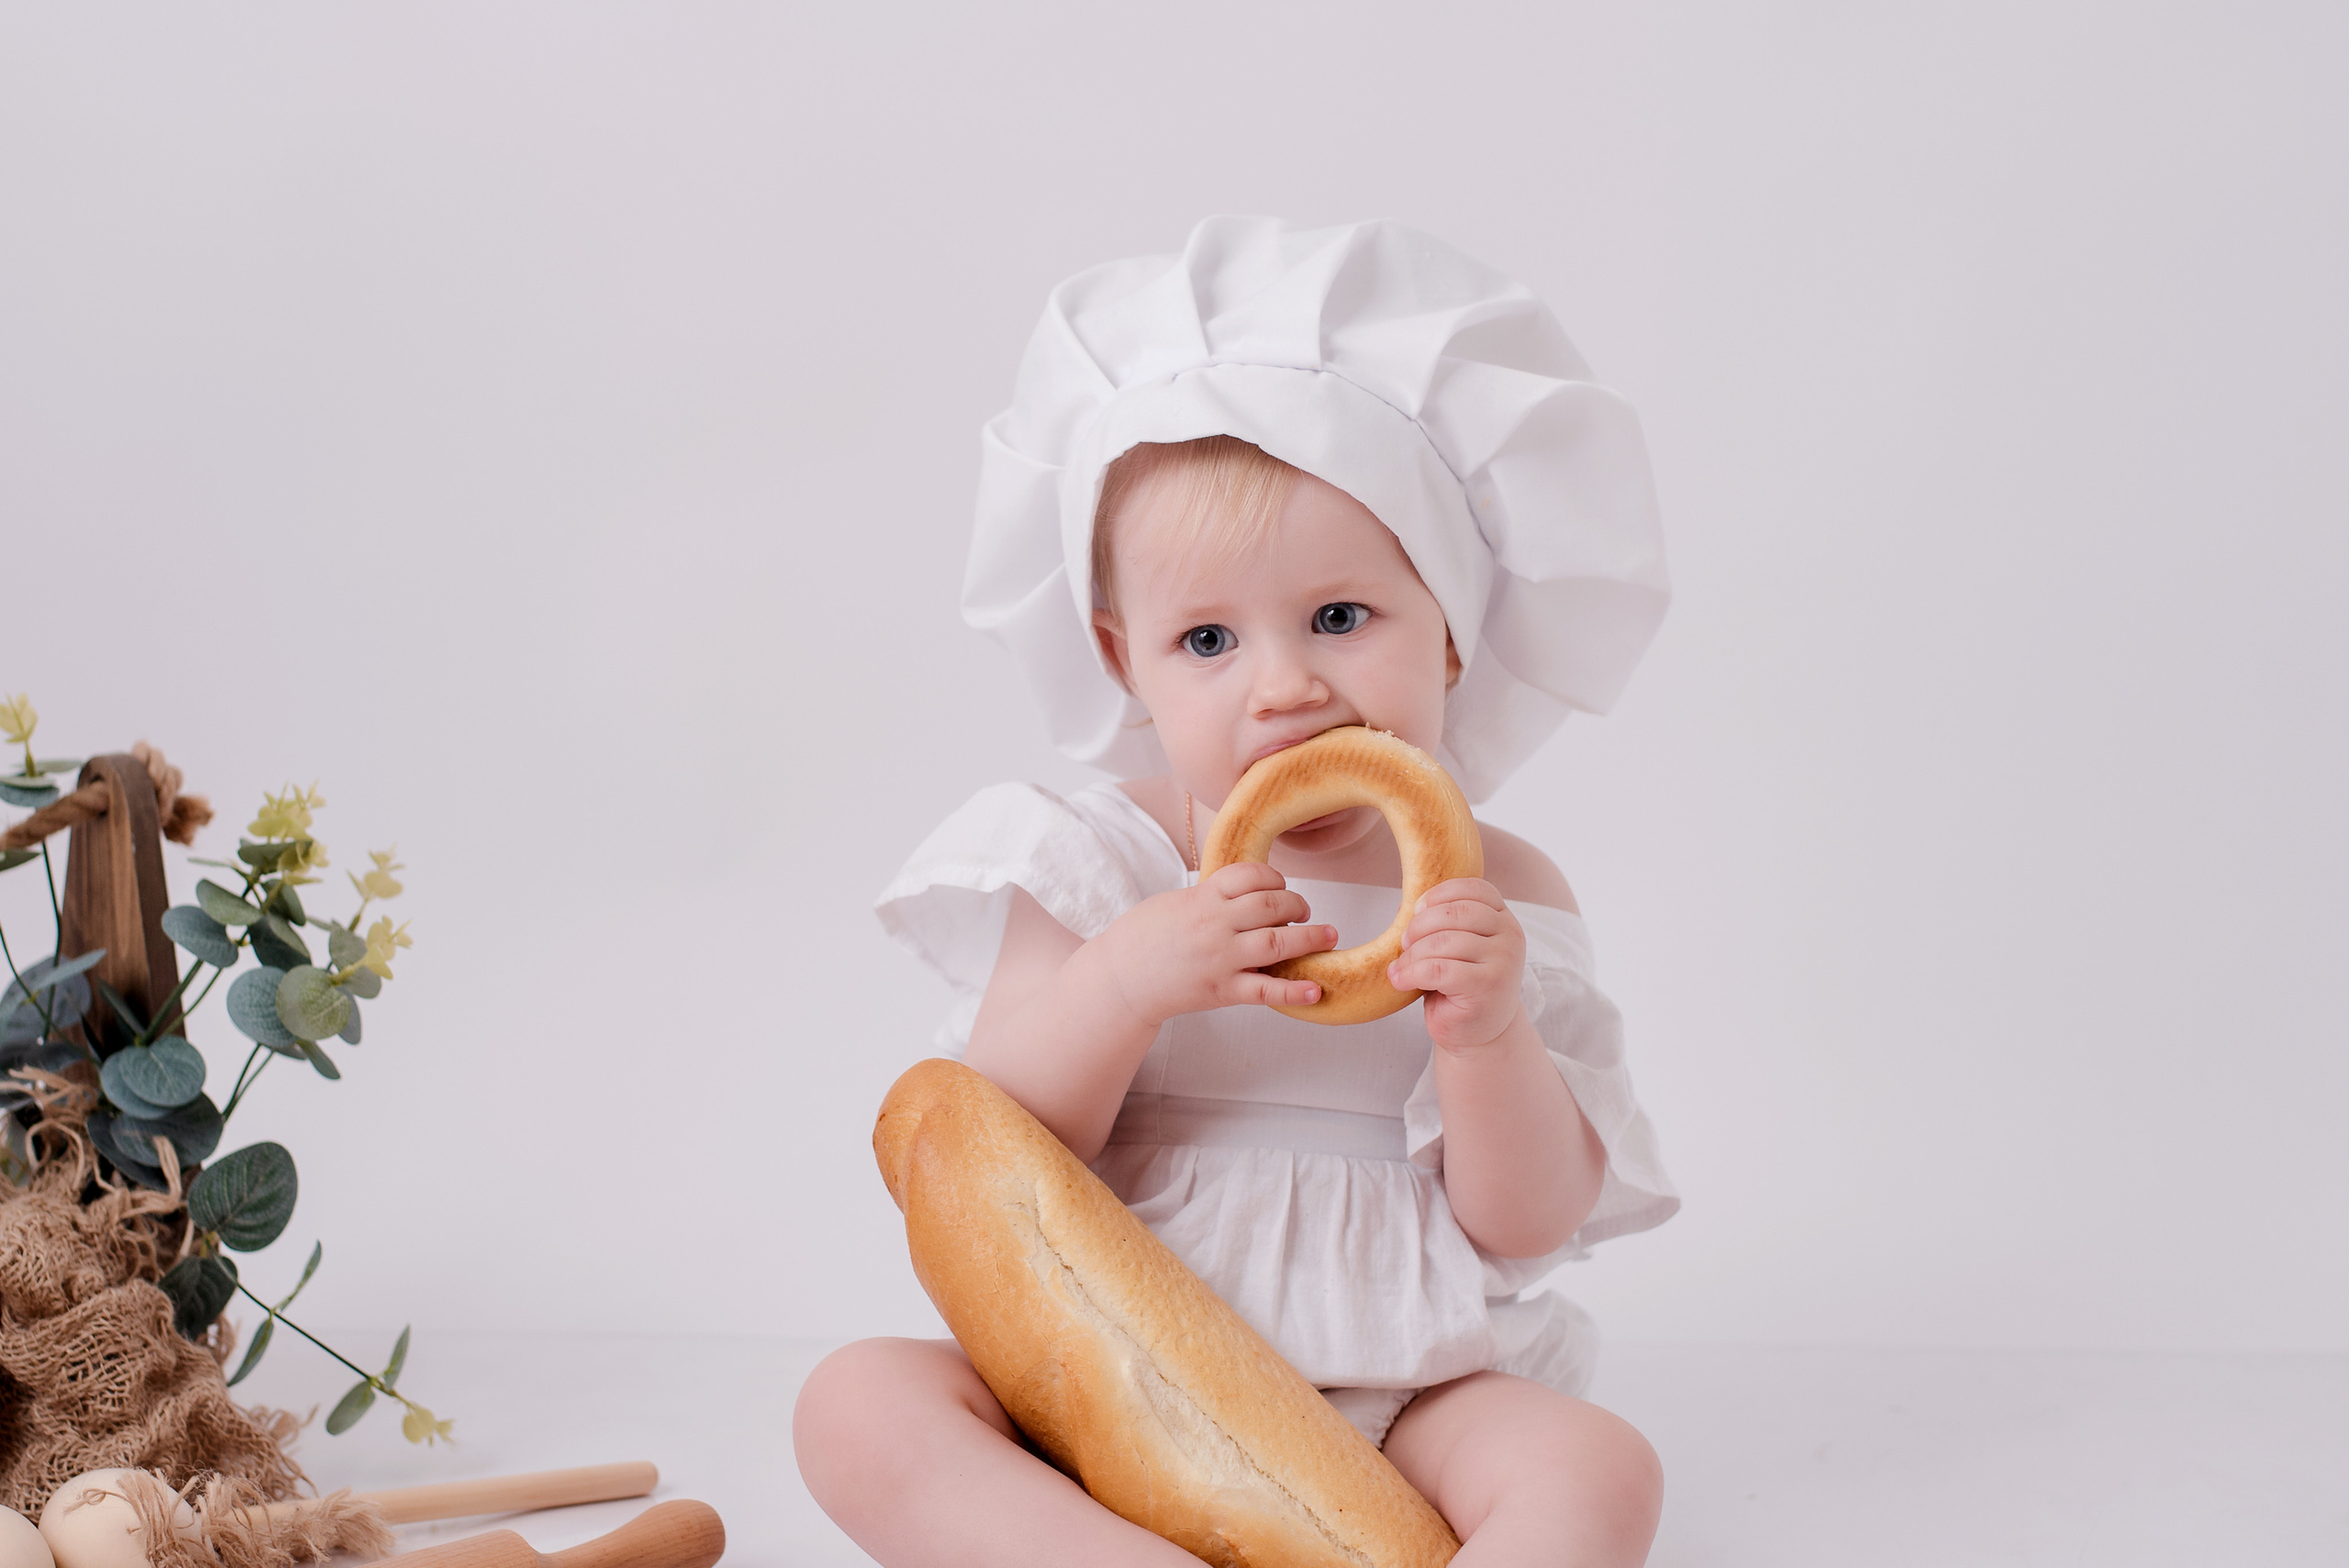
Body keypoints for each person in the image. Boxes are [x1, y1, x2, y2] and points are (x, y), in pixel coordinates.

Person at [795, 217, 1680, 1566]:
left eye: (1340, 618)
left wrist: (1489, 1037)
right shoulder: (1095, 861)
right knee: (858, 1402)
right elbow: (988, 1153)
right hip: (1103, 1371)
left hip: (1406, 1396)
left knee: (1598, 1468)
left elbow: (1528, 1219)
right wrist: (1126, 981)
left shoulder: (1497, 889)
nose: (1284, 686)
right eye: (1207, 638)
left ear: (1449, 630)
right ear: (1123, 661)